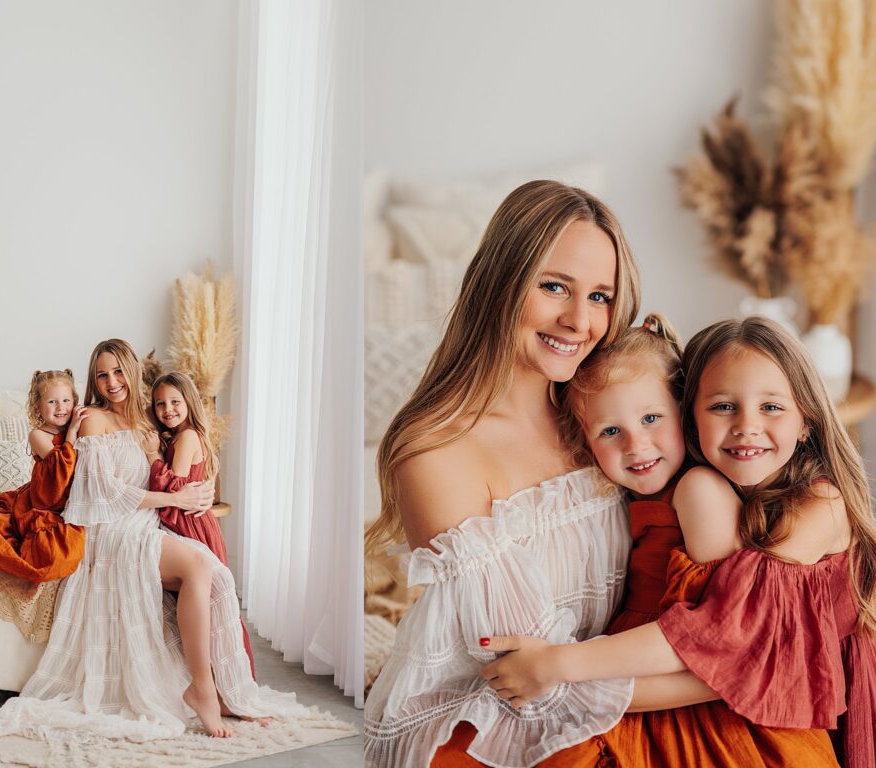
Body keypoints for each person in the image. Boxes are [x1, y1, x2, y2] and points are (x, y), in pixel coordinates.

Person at [482, 317, 876, 766]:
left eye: (771, 407)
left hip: (797, 701)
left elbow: (728, 645)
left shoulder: (817, 504)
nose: (746, 426)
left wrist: (562, 670)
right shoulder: (706, 491)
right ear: (690, 417)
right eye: (723, 406)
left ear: (807, 422)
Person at [363, 180, 642, 768]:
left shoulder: (605, 421)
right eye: (554, 287)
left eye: (600, 297)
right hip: (486, 723)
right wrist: (711, 678)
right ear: (501, 284)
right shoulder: (436, 452)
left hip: (607, 690)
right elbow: (525, 671)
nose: (578, 320)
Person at [0, 339, 304, 741]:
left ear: (131, 371)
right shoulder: (92, 419)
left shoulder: (149, 419)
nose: (111, 382)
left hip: (144, 522)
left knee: (213, 575)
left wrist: (199, 485)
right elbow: (103, 494)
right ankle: (203, 691)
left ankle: (220, 686)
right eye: (101, 375)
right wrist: (174, 498)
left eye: (117, 371)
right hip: (109, 530)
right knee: (198, 565)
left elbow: (182, 455)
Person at [148, 370, 255, 675]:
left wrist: (152, 457)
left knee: (206, 602)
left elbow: (173, 488)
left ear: (189, 402)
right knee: (206, 604)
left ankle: (218, 677)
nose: (167, 410)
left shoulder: (187, 437)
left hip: (188, 523)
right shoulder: (185, 435)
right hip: (196, 521)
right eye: (160, 404)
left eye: (174, 402)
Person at [0, 369, 86, 582]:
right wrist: (71, 435)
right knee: (54, 554)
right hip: (45, 499)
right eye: (52, 402)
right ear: (38, 407)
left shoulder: (81, 426)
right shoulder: (39, 435)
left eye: (66, 400)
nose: (61, 407)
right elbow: (59, 470)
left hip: (72, 497)